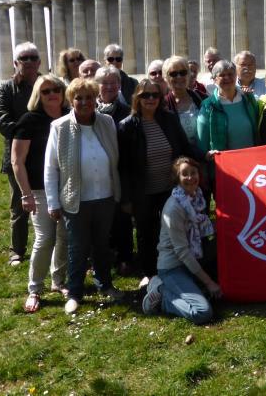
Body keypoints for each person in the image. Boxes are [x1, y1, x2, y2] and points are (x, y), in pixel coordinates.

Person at [44, 78, 124, 314]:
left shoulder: (107, 122)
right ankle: (75, 292)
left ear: (95, 99)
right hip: (75, 199)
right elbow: (51, 167)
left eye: (89, 97)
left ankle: (105, 285)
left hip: (105, 195)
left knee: (102, 245)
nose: (85, 102)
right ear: (71, 101)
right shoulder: (59, 127)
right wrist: (52, 201)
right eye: (79, 98)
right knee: (77, 248)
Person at [118, 79, 209, 285]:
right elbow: (122, 167)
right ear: (137, 98)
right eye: (145, 95)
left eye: (155, 95)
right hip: (143, 191)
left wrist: (206, 156)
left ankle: (178, 268)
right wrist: (126, 198)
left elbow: (185, 146)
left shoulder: (168, 120)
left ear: (160, 98)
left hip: (169, 189)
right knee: (145, 232)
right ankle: (149, 274)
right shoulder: (127, 127)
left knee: (172, 231)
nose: (150, 99)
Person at [12, 74, 69, 312]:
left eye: (56, 89)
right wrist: (25, 194)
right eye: (46, 91)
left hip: (68, 188)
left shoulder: (70, 116)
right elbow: (18, 161)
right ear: (38, 95)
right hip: (39, 189)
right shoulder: (29, 120)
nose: (52, 94)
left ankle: (58, 281)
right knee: (45, 238)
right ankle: (35, 288)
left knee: (64, 238)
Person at [142, 157, 221, 324]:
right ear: (177, 179)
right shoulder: (173, 208)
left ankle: (190, 287)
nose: (191, 177)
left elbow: (203, 226)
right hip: (173, 267)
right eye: (185, 174)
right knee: (202, 312)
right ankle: (162, 293)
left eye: (193, 173)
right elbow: (182, 252)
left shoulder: (197, 197)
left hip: (194, 260)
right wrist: (209, 282)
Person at [0, 41, 42, 266]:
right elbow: (2, 120)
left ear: (40, 61)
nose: (30, 62)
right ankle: (17, 251)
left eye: (33, 57)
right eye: (25, 58)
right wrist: (29, 132)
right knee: (19, 204)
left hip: (43, 153)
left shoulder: (47, 84)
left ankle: (52, 248)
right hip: (16, 155)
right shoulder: (5, 89)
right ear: (16, 63)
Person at [94, 66, 133, 274]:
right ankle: (101, 257)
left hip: (120, 171)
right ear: (96, 86)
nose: (109, 86)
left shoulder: (127, 112)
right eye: (104, 82)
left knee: (122, 218)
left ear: (119, 85)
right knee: (99, 219)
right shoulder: (88, 111)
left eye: (113, 82)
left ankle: (125, 257)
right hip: (96, 172)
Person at [197, 60, 261, 154]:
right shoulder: (208, 106)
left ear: (236, 76)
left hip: (251, 159)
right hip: (225, 163)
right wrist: (205, 155)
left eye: (230, 74)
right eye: (222, 75)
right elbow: (201, 140)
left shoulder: (248, 99)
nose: (227, 77)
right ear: (214, 79)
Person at [163, 56, 204, 147]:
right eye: (173, 74)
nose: (179, 77)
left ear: (188, 75)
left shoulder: (202, 98)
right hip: (180, 158)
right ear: (166, 77)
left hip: (206, 155)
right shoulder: (162, 105)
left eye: (183, 72)